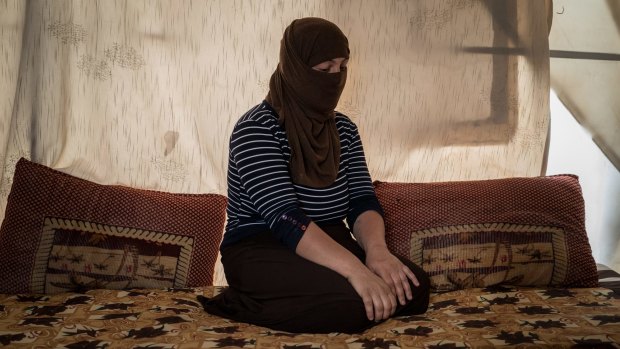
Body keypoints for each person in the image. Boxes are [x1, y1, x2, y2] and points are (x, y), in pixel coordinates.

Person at [199, 17, 430, 334]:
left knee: (413, 287)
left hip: (329, 240)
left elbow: (362, 202)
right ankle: (243, 300)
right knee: (352, 303)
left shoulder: (344, 129)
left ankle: (312, 294)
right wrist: (356, 272)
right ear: (296, 69)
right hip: (262, 247)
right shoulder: (255, 128)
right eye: (324, 70)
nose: (336, 77)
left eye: (342, 67)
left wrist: (377, 255)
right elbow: (285, 219)